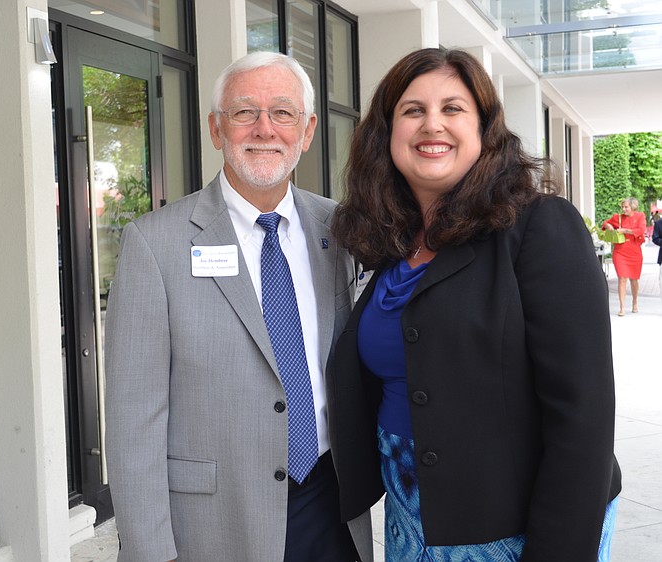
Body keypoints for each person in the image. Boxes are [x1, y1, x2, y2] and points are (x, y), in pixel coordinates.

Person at [328, 48, 621, 562]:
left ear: (485, 128)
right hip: (408, 519)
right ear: (387, 133)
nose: (431, 125)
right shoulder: (391, 244)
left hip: (512, 529)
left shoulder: (540, 226)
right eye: (412, 110)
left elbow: (584, 414)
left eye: (453, 109)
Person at [104, 51, 370, 562]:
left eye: (283, 113)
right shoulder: (154, 245)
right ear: (216, 129)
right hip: (213, 523)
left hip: (329, 504)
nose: (264, 129)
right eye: (245, 112)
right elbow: (133, 423)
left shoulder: (339, 231)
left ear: (308, 130)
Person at [602, 197, 646, 316]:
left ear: (633, 207)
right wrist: (609, 226)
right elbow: (605, 223)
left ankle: (635, 302)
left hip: (635, 251)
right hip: (620, 251)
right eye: (623, 207)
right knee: (622, 278)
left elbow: (641, 230)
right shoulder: (618, 217)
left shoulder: (640, 216)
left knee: (634, 279)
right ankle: (622, 307)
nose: (624, 209)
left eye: (626, 207)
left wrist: (625, 230)